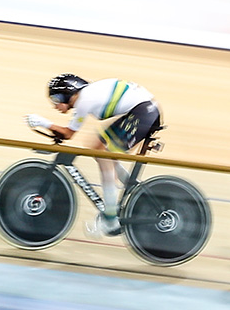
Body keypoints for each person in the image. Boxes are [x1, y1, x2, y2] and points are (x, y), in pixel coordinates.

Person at [27, 74, 162, 238]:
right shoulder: (86, 95)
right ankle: (131, 186)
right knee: (97, 148)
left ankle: (111, 218)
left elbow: (68, 134)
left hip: (144, 111)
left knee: (103, 156)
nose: (55, 105)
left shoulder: (83, 101)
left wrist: (42, 122)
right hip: (142, 110)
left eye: (56, 99)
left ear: (67, 94)